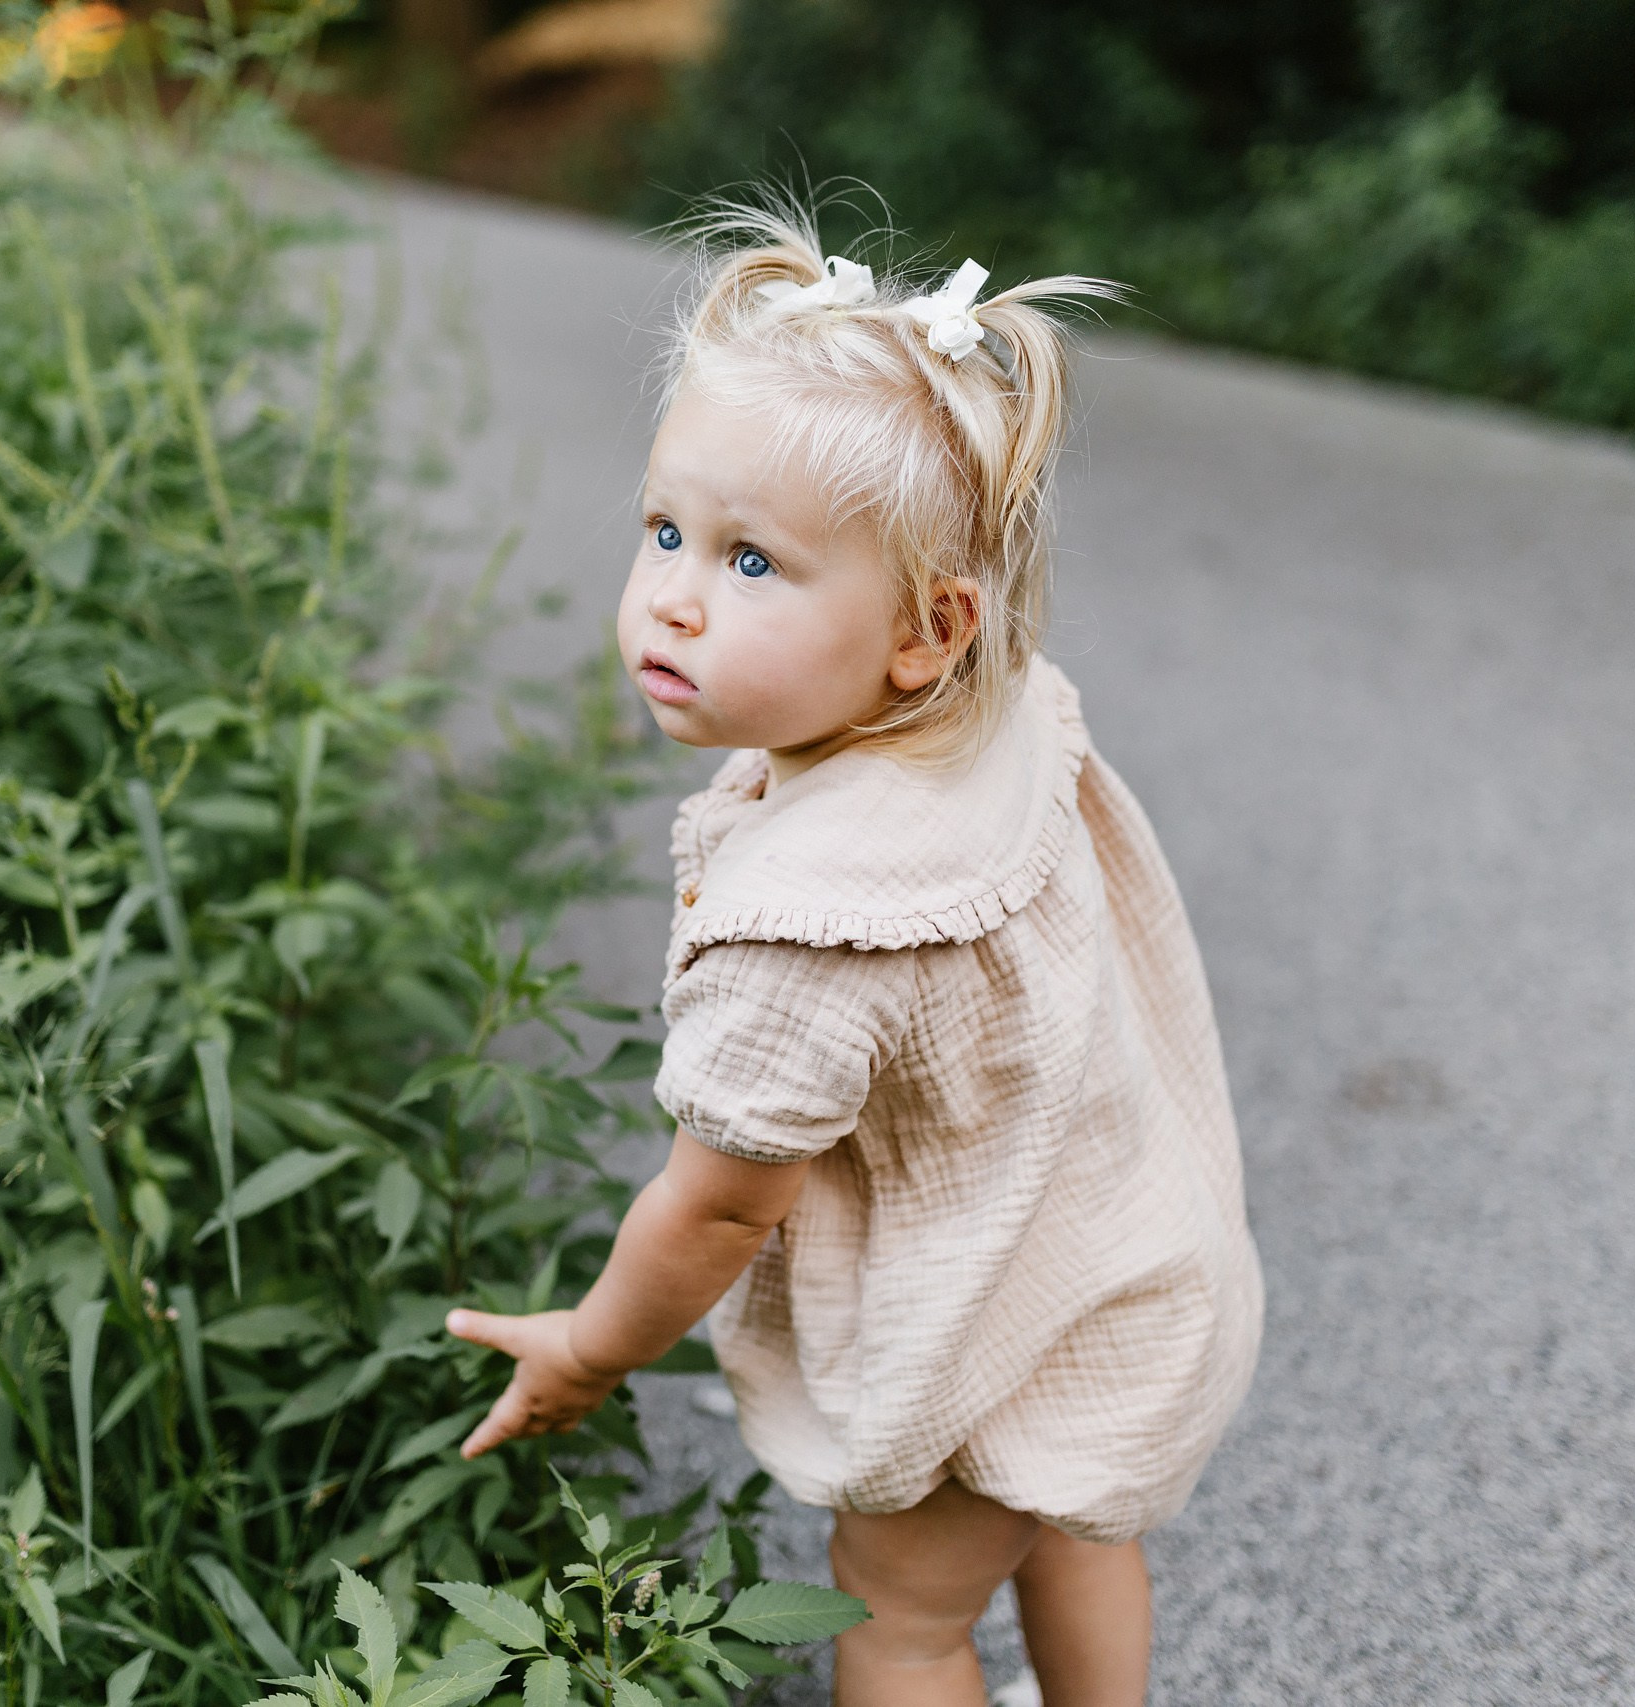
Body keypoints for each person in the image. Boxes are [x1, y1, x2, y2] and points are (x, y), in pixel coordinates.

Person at [445, 204, 1264, 1707]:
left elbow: (710, 1213)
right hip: (1100, 1265)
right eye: (666, 531)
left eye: (755, 562)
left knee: (901, 1618)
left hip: (972, 1325)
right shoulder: (994, 719)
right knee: (1075, 1530)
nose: (677, 593)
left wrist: (585, 1347)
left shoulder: (809, 931)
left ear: (924, 631)